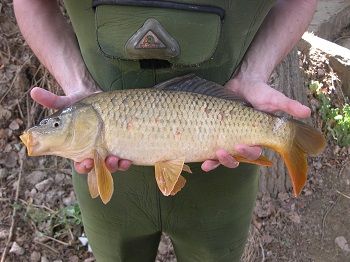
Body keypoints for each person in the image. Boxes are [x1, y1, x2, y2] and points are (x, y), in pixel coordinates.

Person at [14, 0, 317, 261]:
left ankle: (283, 135)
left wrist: (254, 71)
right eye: (56, 124)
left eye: (56, 124)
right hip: (117, 206)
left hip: (222, 189)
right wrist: (76, 83)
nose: (51, 128)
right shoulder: (95, 117)